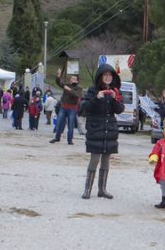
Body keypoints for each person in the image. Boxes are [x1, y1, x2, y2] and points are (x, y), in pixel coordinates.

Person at [80, 64, 124, 199]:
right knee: (94, 159)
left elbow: (120, 109)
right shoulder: (93, 90)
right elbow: (85, 108)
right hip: (95, 129)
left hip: (109, 129)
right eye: (105, 75)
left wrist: (114, 98)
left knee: (106, 160)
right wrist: (96, 98)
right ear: (100, 77)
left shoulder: (115, 91)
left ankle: (102, 189)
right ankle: (87, 190)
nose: (108, 77)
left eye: (110, 75)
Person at [51, 70, 82, 145]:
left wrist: (69, 90)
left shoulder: (79, 88)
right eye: (72, 78)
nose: (72, 80)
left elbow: (77, 95)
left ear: (77, 81)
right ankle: (57, 137)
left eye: (74, 79)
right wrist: (58, 76)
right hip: (63, 107)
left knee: (70, 125)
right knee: (58, 123)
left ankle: (70, 139)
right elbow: (59, 83)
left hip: (72, 108)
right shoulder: (67, 85)